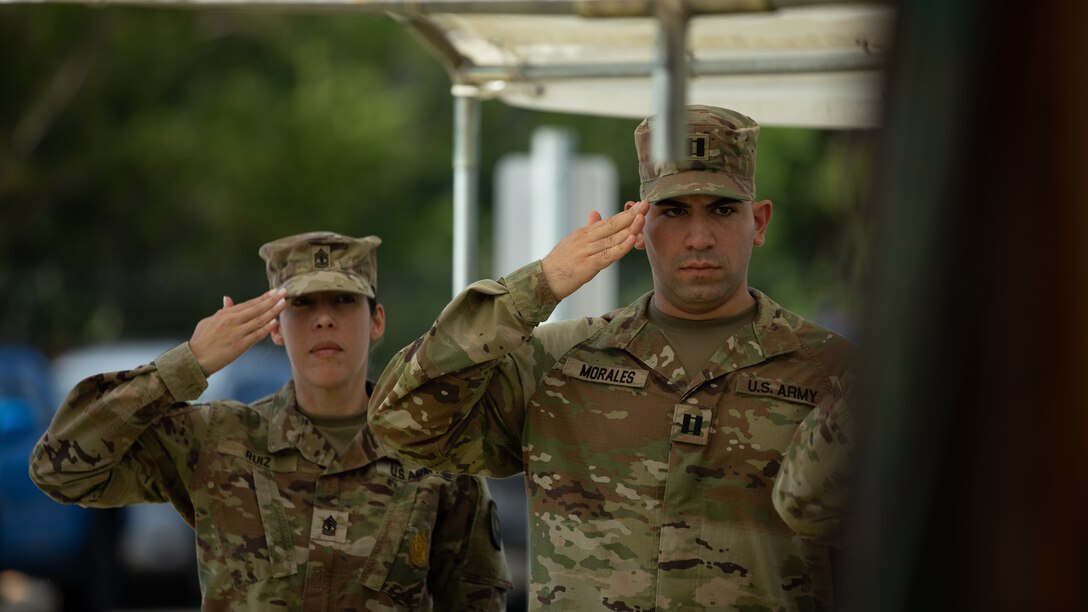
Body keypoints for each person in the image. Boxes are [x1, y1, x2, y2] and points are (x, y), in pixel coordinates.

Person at [369, 106, 857, 610]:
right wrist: (536, 288)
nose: (698, 237)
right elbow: (402, 424)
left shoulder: (835, 373)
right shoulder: (560, 362)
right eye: (673, 211)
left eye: (722, 209)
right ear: (638, 221)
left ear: (758, 221)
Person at [30, 231, 511, 611]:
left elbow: (475, 599)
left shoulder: (434, 455)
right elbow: (60, 470)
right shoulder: (218, 441)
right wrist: (189, 363)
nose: (324, 320)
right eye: (302, 304)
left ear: (377, 320)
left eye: (343, 301)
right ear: (275, 328)